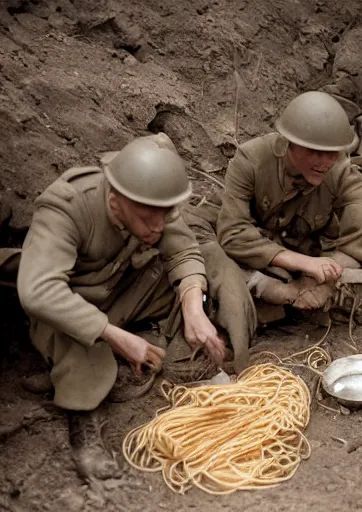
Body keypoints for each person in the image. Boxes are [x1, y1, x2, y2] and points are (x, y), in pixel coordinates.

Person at [16, 135, 229, 481]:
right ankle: (82, 417)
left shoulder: (152, 199)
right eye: (149, 218)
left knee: (194, 284)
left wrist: (194, 306)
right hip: (70, 309)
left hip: (121, 291)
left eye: (165, 215)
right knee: (81, 338)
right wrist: (114, 336)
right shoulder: (68, 205)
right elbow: (38, 290)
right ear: (115, 202)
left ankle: (175, 354)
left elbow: (184, 251)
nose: (159, 226)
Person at [217, 91, 362, 314]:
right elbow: (233, 233)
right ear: (290, 143)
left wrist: (325, 271)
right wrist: (302, 263)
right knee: (210, 254)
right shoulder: (251, 161)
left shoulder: (337, 168)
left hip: (308, 256)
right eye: (315, 152)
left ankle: (313, 289)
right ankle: (272, 290)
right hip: (260, 257)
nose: (325, 162)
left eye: (332, 153)